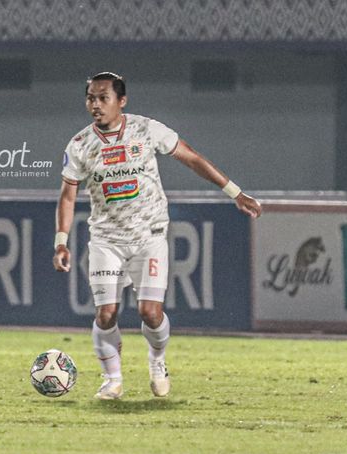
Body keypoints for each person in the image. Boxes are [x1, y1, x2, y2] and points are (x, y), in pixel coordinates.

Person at [52, 72, 262, 400]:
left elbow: (191, 157)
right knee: (106, 314)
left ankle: (157, 360)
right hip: (106, 240)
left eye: (103, 97)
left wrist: (235, 192)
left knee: (150, 312)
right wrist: (61, 241)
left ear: (121, 101)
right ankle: (112, 379)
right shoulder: (80, 145)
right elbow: (68, 196)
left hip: (149, 235)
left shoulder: (147, 129)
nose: (95, 104)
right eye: (91, 98)